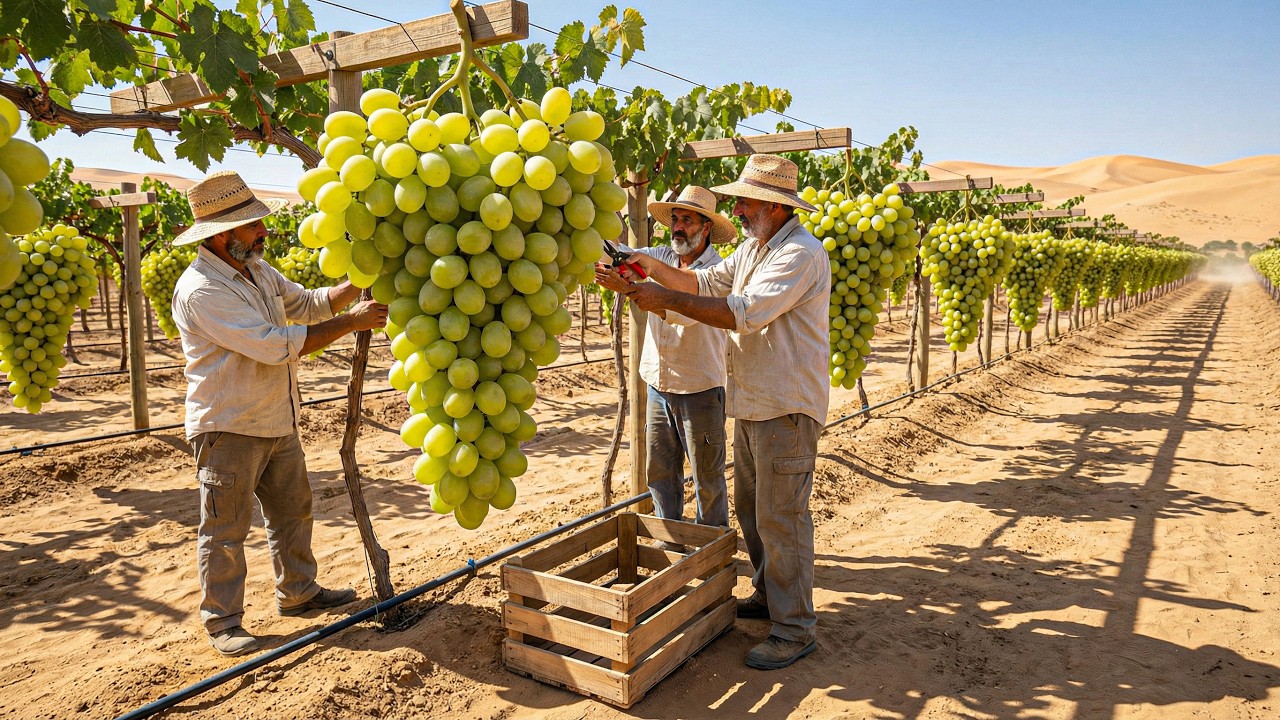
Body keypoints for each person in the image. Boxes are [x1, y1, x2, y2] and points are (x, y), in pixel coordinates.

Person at [619, 154, 829, 670]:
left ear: (775, 207)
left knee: (782, 519)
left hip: (786, 406)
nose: (736, 207)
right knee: (755, 515)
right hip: (755, 403)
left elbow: (742, 313)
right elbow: (704, 285)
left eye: (745, 200)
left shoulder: (799, 254)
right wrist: (644, 267)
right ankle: (766, 597)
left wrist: (659, 296)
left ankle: (795, 628)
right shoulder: (757, 249)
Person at [170, 171, 388, 657]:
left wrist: (359, 282)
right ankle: (223, 622)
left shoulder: (258, 272)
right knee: (225, 528)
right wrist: (352, 323)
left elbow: (307, 305)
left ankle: (298, 592)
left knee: (293, 511)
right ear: (222, 237)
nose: (263, 233)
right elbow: (273, 347)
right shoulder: (202, 290)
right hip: (228, 427)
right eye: (253, 228)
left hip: (276, 418)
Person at [594, 186, 737, 534]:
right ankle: (670, 544)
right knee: (659, 474)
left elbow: (682, 312)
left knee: (707, 480)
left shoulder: (717, 272)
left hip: (701, 388)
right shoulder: (662, 256)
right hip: (659, 385)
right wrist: (595, 224)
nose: (677, 227)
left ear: (706, 228)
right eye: (674, 219)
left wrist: (629, 288)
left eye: (686, 221)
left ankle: (711, 550)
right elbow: (623, 253)